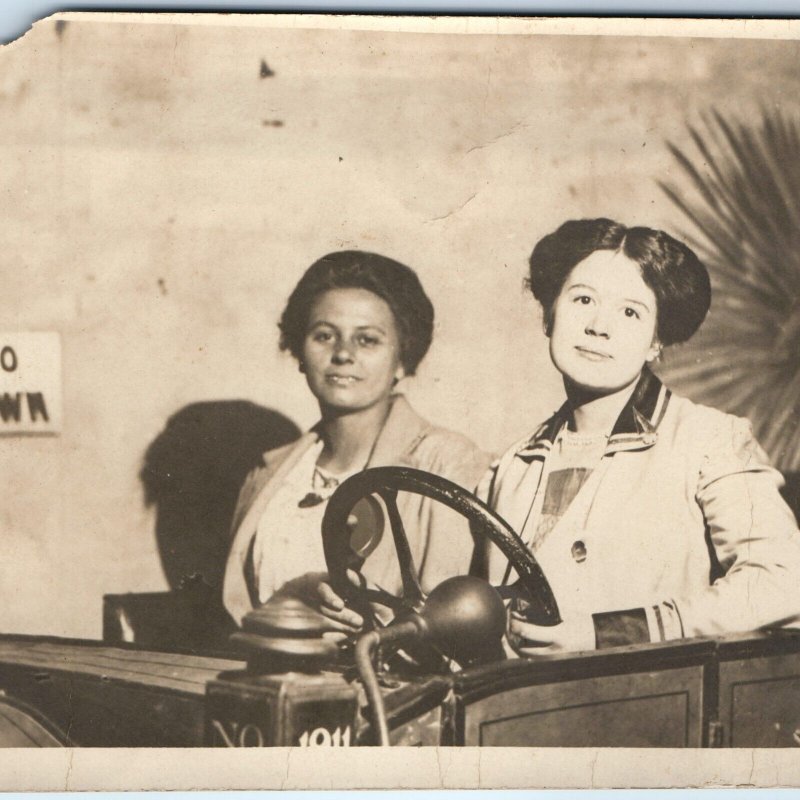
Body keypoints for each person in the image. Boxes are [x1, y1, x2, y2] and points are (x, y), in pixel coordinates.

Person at [474, 218, 800, 654]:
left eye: (630, 312)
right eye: (583, 299)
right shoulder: (512, 467)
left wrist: (612, 633)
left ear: (655, 342)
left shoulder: (710, 442)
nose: (598, 326)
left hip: (651, 709)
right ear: (550, 315)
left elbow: (783, 581)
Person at [222, 250, 491, 626]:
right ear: (300, 350)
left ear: (403, 359)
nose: (343, 354)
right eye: (324, 335)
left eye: (367, 340)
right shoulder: (268, 474)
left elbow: (454, 626)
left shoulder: (446, 463)